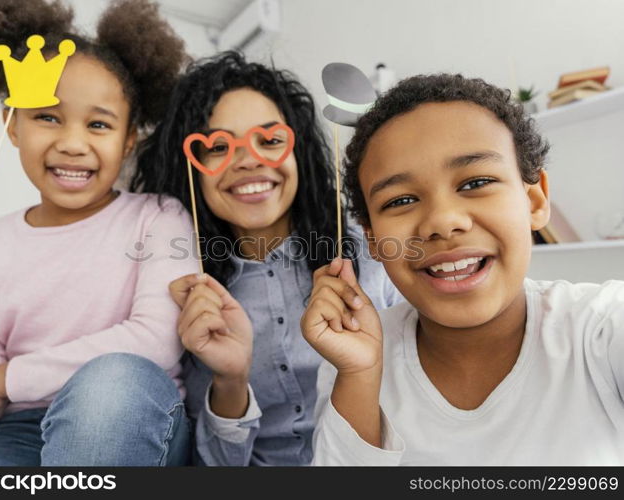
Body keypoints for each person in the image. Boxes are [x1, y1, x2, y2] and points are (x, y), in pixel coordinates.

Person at [0, 0, 197, 466]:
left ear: (129, 138)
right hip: (17, 432)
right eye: (47, 117)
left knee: (108, 384)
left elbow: (159, 339)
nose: (72, 143)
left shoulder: (157, 216)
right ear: (12, 125)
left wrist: (3, 379)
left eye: (98, 124)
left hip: (134, 417)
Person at [302, 73, 624, 465]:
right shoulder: (353, 357)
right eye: (400, 200)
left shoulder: (602, 328)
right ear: (373, 240)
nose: (442, 221)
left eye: (476, 182)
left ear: (535, 201)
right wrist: (360, 375)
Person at [131, 51, 402, 466]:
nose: (249, 159)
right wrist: (230, 380)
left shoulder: (371, 252)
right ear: (192, 167)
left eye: (271, 140)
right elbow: (217, 465)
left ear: (301, 153)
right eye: (218, 146)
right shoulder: (190, 289)